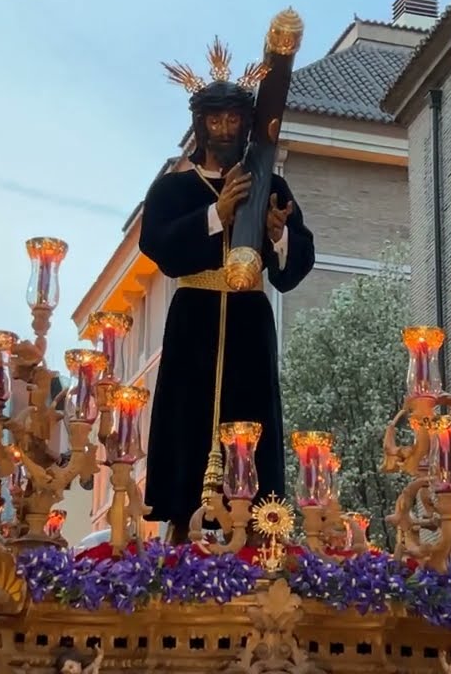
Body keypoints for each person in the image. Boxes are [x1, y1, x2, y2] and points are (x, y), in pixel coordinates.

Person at [139, 44, 315, 544]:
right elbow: (160, 246)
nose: (223, 129)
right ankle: (182, 525)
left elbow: (296, 264)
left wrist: (278, 234)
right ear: (200, 125)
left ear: (246, 124)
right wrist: (216, 215)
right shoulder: (172, 189)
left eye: (233, 119)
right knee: (187, 418)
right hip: (193, 318)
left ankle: (258, 529)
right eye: (214, 120)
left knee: (251, 416)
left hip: (248, 323)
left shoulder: (270, 185)